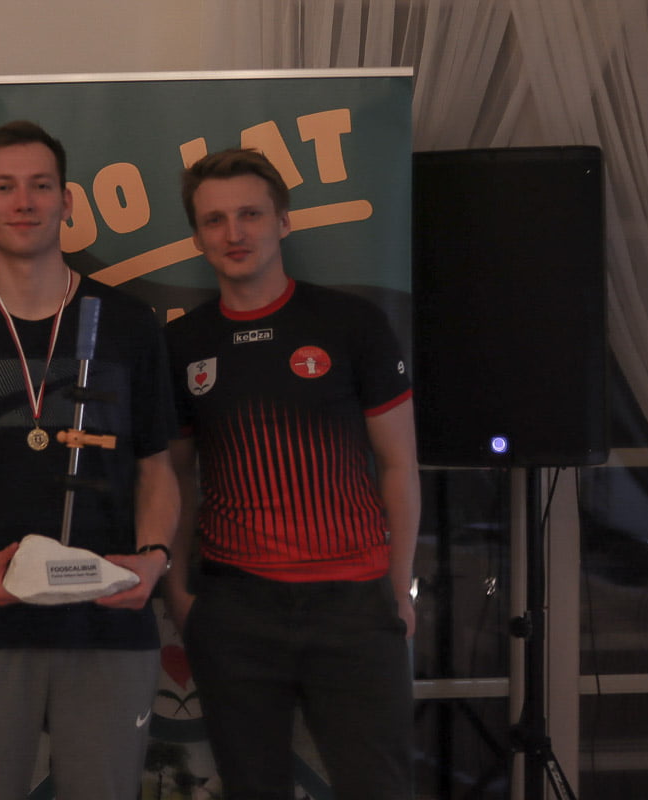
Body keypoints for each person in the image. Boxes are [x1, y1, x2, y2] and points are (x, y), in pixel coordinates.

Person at [0, 120, 180, 800]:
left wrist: (154, 558)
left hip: (109, 621)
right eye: (4, 187)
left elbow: (157, 467)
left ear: (67, 200)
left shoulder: (131, 324)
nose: (23, 202)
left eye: (40, 186)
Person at [163, 148, 419, 800]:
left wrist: (397, 586)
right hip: (235, 610)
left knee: (380, 789)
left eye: (250, 214)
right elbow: (175, 480)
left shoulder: (352, 324)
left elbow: (398, 464)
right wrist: (179, 592)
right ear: (197, 237)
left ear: (283, 221)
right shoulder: (183, 344)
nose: (234, 232)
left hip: (354, 607)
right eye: (215, 220)